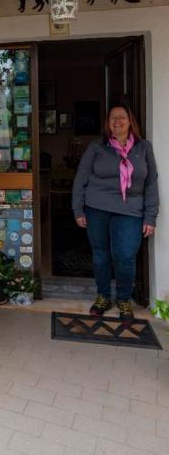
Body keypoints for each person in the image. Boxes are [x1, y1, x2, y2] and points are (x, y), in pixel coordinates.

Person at [72, 105, 158, 321]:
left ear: (131, 122)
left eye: (122, 117)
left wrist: (150, 216)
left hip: (131, 210)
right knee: (100, 254)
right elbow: (81, 178)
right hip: (97, 208)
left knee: (125, 256)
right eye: (112, 118)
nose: (117, 121)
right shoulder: (96, 147)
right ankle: (103, 296)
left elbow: (151, 184)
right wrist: (78, 209)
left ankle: (123, 299)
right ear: (107, 122)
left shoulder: (143, 147)